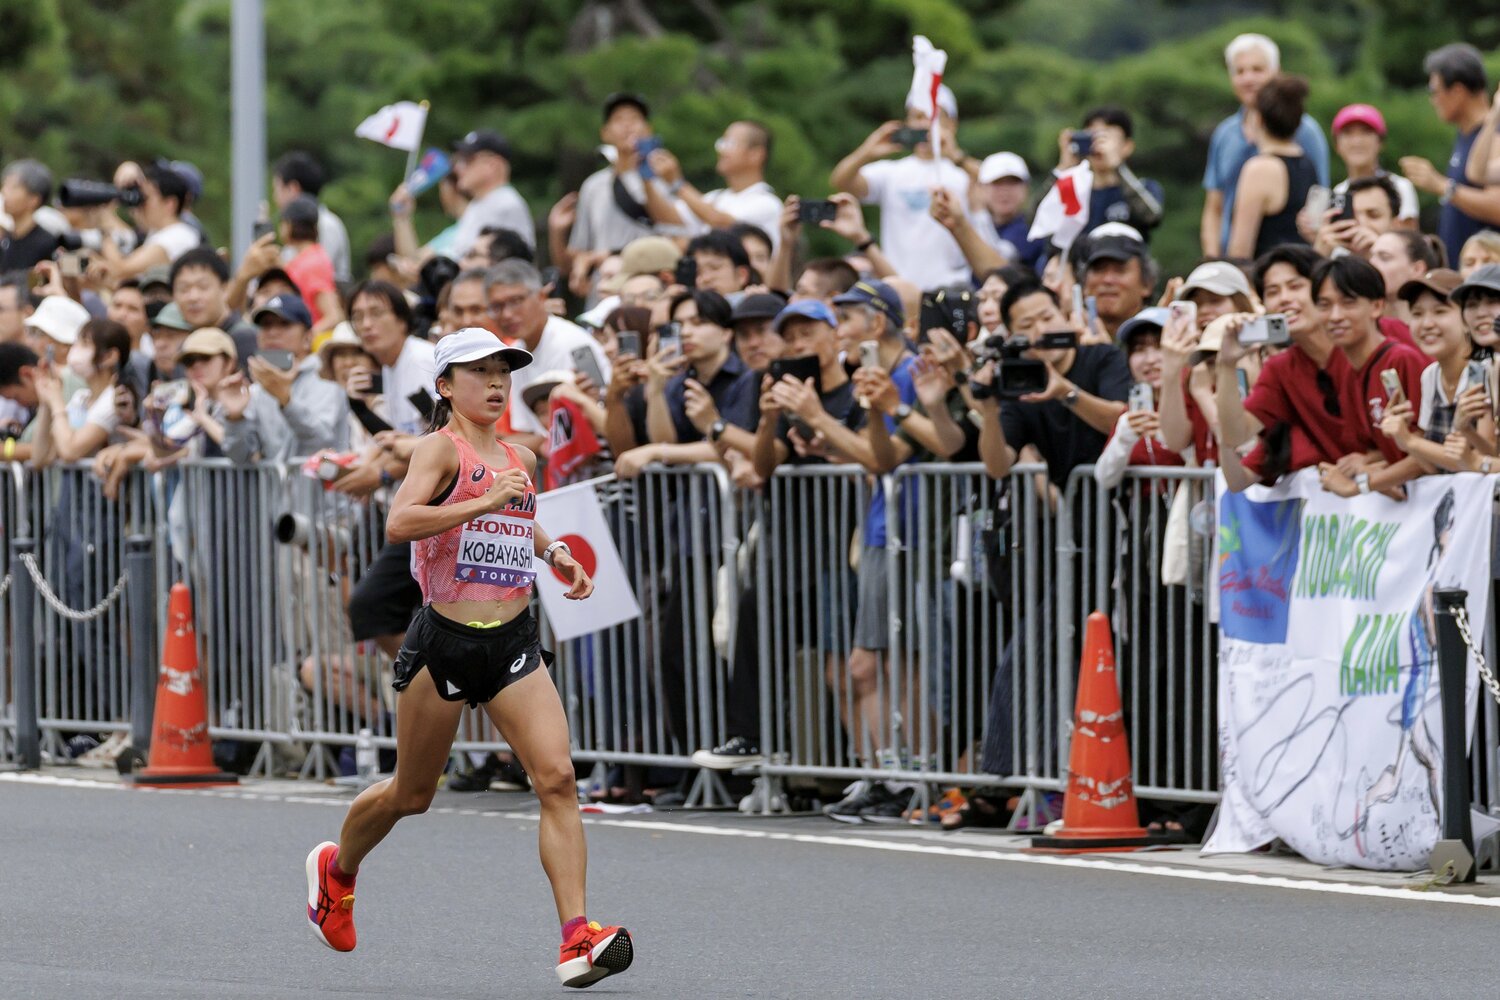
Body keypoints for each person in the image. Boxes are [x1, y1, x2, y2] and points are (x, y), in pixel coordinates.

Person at [302, 327, 632, 988]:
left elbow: (515, 514)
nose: (496, 383)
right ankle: (336, 873)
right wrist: (480, 500)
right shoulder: (438, 449)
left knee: (558, 777)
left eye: (503, 372)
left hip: (511, 641)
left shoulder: (518, 455)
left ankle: (577, 937)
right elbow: (400, 521)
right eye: (479, 372)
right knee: (412, 793)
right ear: (446, 387)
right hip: (444, 642)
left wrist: (551, 549)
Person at [1215, 245, 1354, 489]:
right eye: (1272, 291)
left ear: (1323, 287)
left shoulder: (1363, 341)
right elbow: (1235, 435)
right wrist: (1227, 364)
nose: (1285, 298)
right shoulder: (1280, 369)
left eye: (1295, 286)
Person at [830, 84, 973, 289]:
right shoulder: (892, 172)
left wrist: (956, 155)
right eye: (917, 116)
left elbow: (986, 189)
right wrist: (868, 151)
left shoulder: (963, 173)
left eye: (933, 116)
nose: (924, 124)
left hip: (950, 287)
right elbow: (841, 182)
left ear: (952, 124)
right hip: (898, 287)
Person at [1307, 256, 1427, 497]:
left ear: (1377, 307)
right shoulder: (1347, 371)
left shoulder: (1402, 360)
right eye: (1324, 305)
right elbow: (1389, 447)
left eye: (1348, 303)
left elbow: (1428, 449)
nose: (1335, 316)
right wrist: (1366, 461)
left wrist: (1361, 484)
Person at [1202, 33, 1329, 256]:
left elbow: (1320, 197)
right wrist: (1213, 262)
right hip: (1232, 261)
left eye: (1257, 69)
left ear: (1276, 71)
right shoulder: (1224, 134)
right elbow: (1214, 206)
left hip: (1285, 259)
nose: (1248, 79)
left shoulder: (1306, 130)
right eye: (1240, 71)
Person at [485, 260, 611, 452]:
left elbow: (568, 431)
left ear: (542, 296)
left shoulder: (570, 342)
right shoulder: (517, 351)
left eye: (516, 301)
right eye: (497, 306)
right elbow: (531, 432)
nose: (507, 314)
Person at [1380, 269, 1495, 473]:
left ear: (1466, 319)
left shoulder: (1486, 370)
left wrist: (1411, 441)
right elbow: (1432, 468)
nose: (1427, 324)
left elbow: (1483, 461)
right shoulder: (1430, 376)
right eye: (1417, 314)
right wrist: (1404, 437)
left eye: (1440, 311)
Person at [218, 294, 349, 464]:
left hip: (322, 490)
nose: (272, 332)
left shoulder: (325, 378)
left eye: (285, 324)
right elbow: (240, 457)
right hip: (275, 491)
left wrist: (286, 401)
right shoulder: (258, 389)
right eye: (265, 325)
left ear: (308, 337)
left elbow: (321, 440)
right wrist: (235, 419)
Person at [1401, 44, 1500, 265]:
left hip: (1486, 276)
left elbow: (1497, 206)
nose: (1432, 100)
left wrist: (1441, 186)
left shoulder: (1494, 133)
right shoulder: (1466, 134)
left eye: (1434, 91)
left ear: (1457, 91)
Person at [556, 93, 657, 286]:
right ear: (605, 132)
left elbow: (675, 238)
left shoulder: (661, 179)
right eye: (619, 119)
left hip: (647, 287)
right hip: (603, 289)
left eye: (635, 119)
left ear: (648, 130)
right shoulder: (593, 186)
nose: (627, 125)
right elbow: (576, 254)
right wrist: (556, 232)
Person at [643, 120, 783, 253]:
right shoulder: (715, 197)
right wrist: (645, 175)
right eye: (722, 142)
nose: (721, 150)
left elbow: (722, 224)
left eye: (729, 143)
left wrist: (677, 183)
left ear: (756, 154)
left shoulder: (768, 204)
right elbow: (667, 217)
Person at [1226, 75, 1318, 259]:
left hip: (1269, 278)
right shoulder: (1306, 162)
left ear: (1258, 119)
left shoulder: (1260, 169)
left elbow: (1240, 250)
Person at [30, 319, 132, 465]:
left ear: (109, 356)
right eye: (76, 343)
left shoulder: (115, 399)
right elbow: (41, 457)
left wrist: (56, 401)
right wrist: (46, 401)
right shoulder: (81, 397)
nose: (75, 350)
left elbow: (70, 450)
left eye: (85, 344)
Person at [1055, 106, 1165, 240]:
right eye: (1092, 136)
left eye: (1105, 136)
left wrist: (1118, 168)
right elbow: (1038, 222)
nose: (1097, 144)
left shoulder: (1144, 186)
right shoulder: (1075, 192)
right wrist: (1063, 168)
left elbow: (1152, 216)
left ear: (1127, 146)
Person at [98, 160, 201, 281]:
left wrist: (104, 231)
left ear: (169, 204)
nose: (140, 205)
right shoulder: (159, 233)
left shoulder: (178, 236)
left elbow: (120, 269)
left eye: (145, 198)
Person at [449, 129, 535, 258]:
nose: (457, 168)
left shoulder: (506, 205)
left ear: (492, 165)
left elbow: (514, 267)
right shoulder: (480, 203)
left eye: (466, 160)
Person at [1329, 104, 1420, 223]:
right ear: (1337, 145)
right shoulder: (1339, 192)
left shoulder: (1401, 187)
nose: (1357, 141)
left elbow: (1408, 239)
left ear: (1380, 142)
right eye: (1348, 133)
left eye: (1366, 132)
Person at [171, 248, 260, 368]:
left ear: (225, 288)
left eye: (203, 287)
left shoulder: (244, 339)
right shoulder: (185, 348)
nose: (193, 297)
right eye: (184, 289)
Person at [273, 151, 352, 281]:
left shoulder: (326, 225)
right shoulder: (299, 228)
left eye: (276, 189)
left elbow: (314, 273)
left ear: (293, 189)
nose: (275, 198)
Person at [279, 195, 343, 333]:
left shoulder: (312, 263)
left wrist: (305, 339)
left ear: (289, 225)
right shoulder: (309, 257)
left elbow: (333, 315)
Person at [1080, 231, 1156, 341]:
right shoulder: (1067, 347)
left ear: (1147, 284)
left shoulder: (1166, 343)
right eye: (1099, 269)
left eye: (1120, 270)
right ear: (1084, 285)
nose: (1108, 280)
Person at [971, 153, 1041, 268]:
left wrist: (979, 212)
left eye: (1013, 182)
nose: (1004, 191)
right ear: (981, 188)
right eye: (996, 183)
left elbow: (996, 263)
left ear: (1026, 188)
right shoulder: (973, 222)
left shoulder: (1032, 228)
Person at [0, 159, 59, 271]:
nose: (4, 192)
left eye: (13, 187)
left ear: (34, 199)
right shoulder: (6, 238)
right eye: (5, 185)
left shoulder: (46, 244)